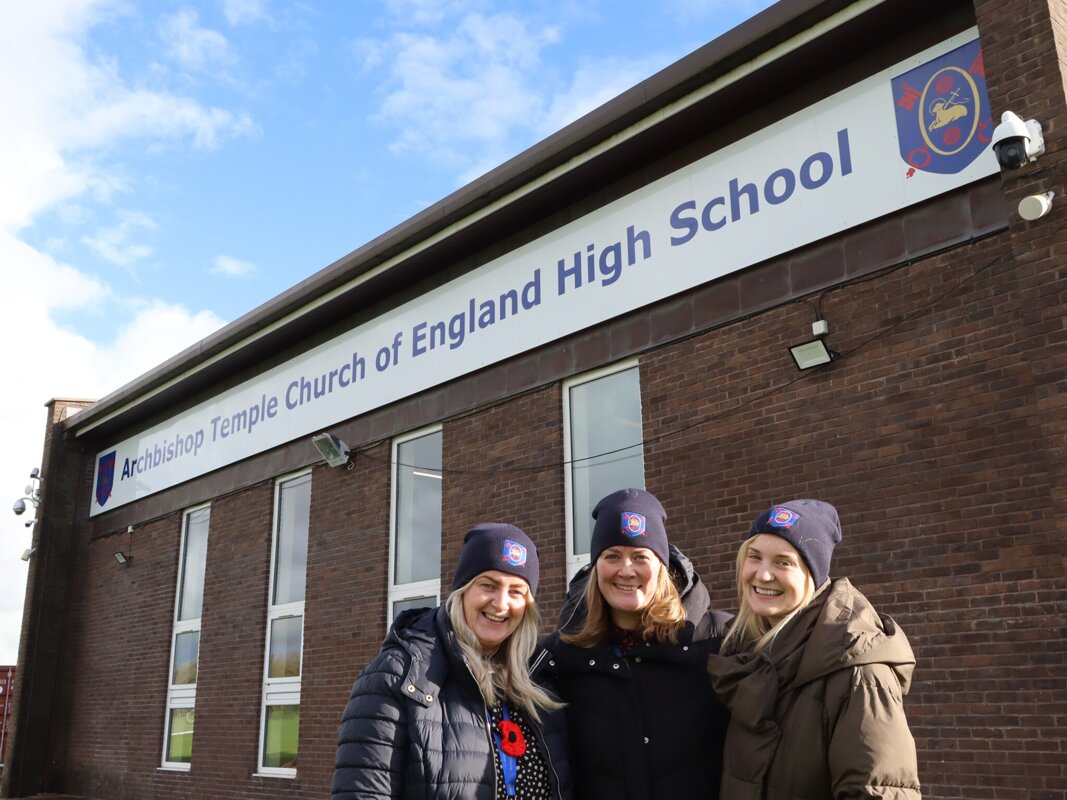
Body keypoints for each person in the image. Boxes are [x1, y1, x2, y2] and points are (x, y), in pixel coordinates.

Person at [332, 523, 573, 800]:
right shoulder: (399, 677)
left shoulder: (541, 682)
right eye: (488, 585)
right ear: (462, 591)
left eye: (516, 591)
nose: (501, 603)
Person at [706, 499, 921, 799]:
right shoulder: (742, 651)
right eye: (754, 557)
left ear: (813, 575)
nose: (763, 574)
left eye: (784, 562)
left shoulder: (858, 671)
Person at [540, 488, 731, 800]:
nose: (626, 570)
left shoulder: (718, 640)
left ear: (661, 566)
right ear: (595, 568)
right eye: (612, 556)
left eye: (640, 556)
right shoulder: (559, 657)